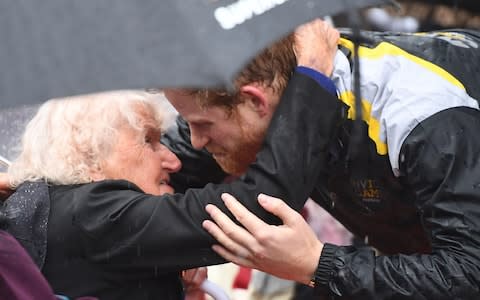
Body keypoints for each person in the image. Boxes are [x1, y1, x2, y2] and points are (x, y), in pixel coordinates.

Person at [0, 24, 342, 300]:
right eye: (149, 141)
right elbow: (256, 210)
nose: (172, 160)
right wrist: (312, 78)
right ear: (90, 156)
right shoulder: (91, 213)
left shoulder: (47, 210)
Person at [162, 19, 480, 299]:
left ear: (254, 101)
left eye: (202, 126)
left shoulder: (415, 117)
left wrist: (318, 264)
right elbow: (166, 165)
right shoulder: (272, 86)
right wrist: (173, 242)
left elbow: (469, 272)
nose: (195, 140)